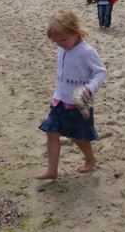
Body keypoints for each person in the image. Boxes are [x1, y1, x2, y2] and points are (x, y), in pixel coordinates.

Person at [36, 10, 107, 179]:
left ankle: (90, 159)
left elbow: (100, 72)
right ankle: (52, 170)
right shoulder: (63, 48)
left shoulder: (87, 51)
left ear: (76, 31)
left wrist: (89, 89)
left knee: (79, 137)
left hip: (78, 103)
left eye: (63, 40)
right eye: (56, 42)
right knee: (52, 133)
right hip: (59, 100)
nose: (60, 44)